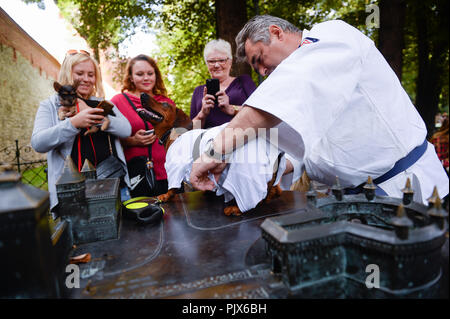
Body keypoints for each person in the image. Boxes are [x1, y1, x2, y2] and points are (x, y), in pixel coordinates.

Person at [189, 15, 449, 205]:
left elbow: (269, 105)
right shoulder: (304, 85)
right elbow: (307, 148)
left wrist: (214, 151)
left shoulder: (332, 36)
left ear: (277, 32)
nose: (262, 72)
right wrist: (264, 166)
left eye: (260, 60)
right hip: (351, 201)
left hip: (407, 191)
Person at [31, 50, 132, 213]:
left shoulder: (102, 103)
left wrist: (96, 118)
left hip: (113, 184)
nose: (86, 79)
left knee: (126, 236)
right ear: (67, 73)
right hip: (72, 194)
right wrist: (73, 123)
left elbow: (126, 130)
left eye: (91, 74)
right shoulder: (50, 105)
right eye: (79, 73)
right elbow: (38, 142)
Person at [111, 54, 173, 197]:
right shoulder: (118, 102)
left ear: (155, 75)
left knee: (176, 217)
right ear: (131, 77)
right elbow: (109, 140)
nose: (146, 78)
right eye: (140, 74)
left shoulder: (166, 102)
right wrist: (132, 141)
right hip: (137, 176)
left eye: (150, 73)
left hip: (169, 174)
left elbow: (178, 135)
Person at [190, 39, 257, 128]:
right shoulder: (198, 91)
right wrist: (202, 114)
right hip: (209, 140)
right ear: (207, 64)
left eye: (222, 60)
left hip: (241, 137)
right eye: (212, 61)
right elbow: (192, 131)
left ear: (230, 62)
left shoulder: (244, 82)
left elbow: (259, 112)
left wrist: (231, 109)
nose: (217, 65)